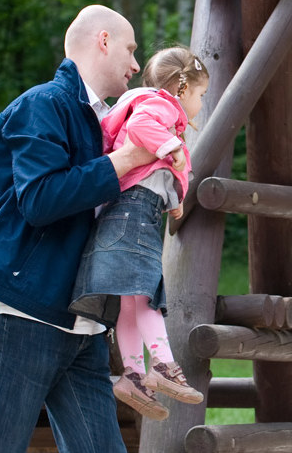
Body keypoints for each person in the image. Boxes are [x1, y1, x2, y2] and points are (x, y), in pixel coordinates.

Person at [0, 5, 157, 453]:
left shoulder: (102, 120)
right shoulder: (44, 104)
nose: (136, 65)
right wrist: (125, 160)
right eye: (130, 49)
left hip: (80, 322)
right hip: (25, 309)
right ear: (103, 41)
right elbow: (41, 200)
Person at [69, 46, 209, 421]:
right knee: (146, 296)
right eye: (200, 94)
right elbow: (142, 130)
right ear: (181, 89)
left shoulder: (147, 103)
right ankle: (162, 365)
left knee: (131, 300)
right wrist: (172, 146)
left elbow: (150, 171)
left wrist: (174, 198)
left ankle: (132, 374)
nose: (200, 102)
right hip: (134, 213)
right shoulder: (160, 105)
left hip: (127, 212)